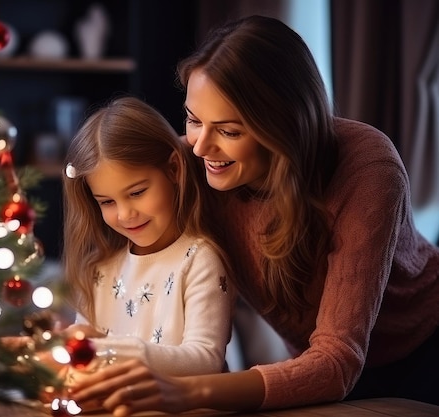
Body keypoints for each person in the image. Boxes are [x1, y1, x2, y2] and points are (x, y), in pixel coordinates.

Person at [67, 15, 439, 416]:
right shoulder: (189, 164)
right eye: (194, 120)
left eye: (229, 131)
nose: (201, 147)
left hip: (421, 351)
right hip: (310, 362)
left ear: (281, 126)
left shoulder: (367, 169)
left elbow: (336, 361)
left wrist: (188, 392)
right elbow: (114, 189)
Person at [59, 95, 232, 379]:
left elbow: (205, 359)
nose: (125, 214)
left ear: (174, 169)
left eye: (137, 193)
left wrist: (109, 350)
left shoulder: (199, 260)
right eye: (107, 202)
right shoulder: (98, 268)